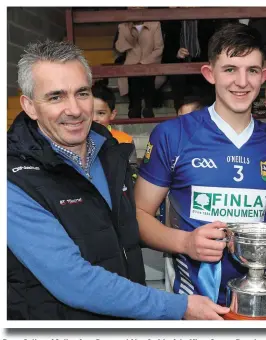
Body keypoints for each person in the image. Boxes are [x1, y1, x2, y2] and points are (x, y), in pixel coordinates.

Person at [7, 39, 229, 320]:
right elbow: (74, 281)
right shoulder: (13, 178)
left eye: (82, 93)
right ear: (29, 106)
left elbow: (126, 227)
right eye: (56, 97)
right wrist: (179, 307)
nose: (75, 109)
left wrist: (187, 241)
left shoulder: (110, 151)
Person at [135, 23, 266, 305]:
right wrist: (185, 243)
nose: (242, 82)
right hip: (193, 304)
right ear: (210, 73)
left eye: (252, 70)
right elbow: (137, 215)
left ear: (263, 76)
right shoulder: (173, 135)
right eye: (230, 69)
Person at [115, 14, 164, 118]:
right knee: (134, 76)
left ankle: (148, 107)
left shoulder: (155, 25)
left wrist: (144, 63)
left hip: (151, 62)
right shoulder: (123, 26)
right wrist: (125, 31)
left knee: (147, 75)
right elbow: (119, 48)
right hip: (131, 65)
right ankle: (135, 107)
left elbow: (159, 49)